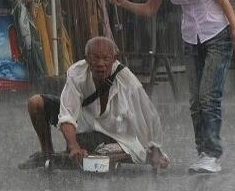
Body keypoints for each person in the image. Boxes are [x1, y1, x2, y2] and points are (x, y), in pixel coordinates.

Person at [110, 0, 235, 174]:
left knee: (208, 96)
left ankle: (212, 154)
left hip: (217, 32)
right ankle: (202, 152)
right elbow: (150, 9)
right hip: (190, 36)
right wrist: (123, 3)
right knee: (195, 100)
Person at [18, 36, 169, 170]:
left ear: (113, 59)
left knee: (100, 156)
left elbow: (148, 115)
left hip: (114, 134)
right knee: (35, 103)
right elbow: (67, 115)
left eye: (105, 58)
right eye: (95, 58)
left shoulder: (126, 78)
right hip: (83, 124)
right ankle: (47, 154)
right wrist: (73, 146)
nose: (100, 64)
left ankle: (65, 158)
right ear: (87, 59)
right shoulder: (77, 72)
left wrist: (154, 149)